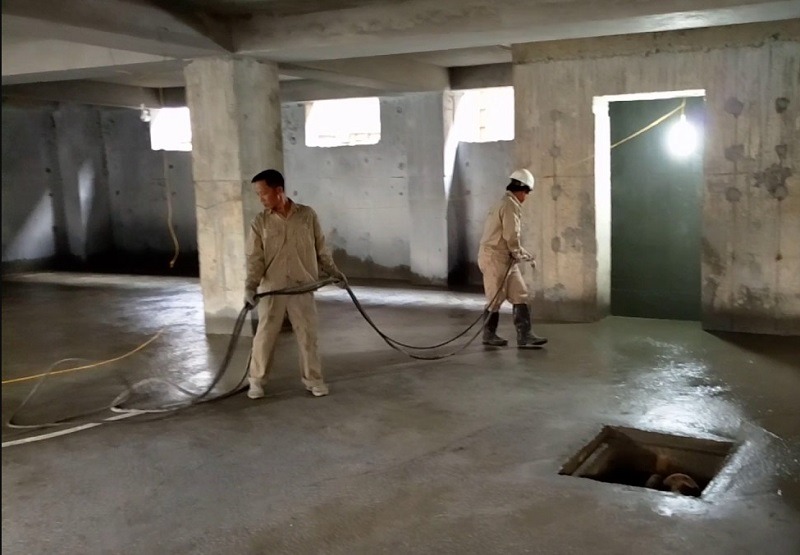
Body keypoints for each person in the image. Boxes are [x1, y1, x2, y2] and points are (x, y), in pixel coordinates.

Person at [244, 169, 347, 400]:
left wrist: (335, 273)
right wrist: (250, 286)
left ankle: (314, 380)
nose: (260, 199)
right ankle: (257, 381)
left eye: (263, 193)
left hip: (302, 287)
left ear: (278, 190)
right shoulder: (260, 222)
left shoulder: (307, 216)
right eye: (258, 194)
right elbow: (254, 259)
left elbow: (321, 249)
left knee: (308, 336)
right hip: (272, 290)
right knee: (264, 337)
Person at [477, 169, 547, 349]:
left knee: (520, 293)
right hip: (495, 257)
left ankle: (525, 335)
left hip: (506, 256)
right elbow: (511, 234)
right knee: (495, 297)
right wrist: (517, 252)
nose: (526, 197)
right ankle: (489, 334)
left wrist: (521, 253)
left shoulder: (506, 203)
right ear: (522, 190)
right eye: (527, 193)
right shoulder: (509, 205)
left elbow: (508, 237)